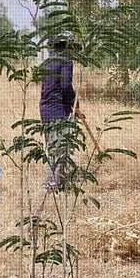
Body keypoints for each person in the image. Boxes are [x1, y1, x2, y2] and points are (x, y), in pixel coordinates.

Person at [39, 32, 82, 191]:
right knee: (61, 148)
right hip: (58, 110)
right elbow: (65, 86)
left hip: (45, 110)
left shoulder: (47, 63)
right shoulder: (65, 61)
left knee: (52, 148)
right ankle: (53, 185)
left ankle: (53, 182)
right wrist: (74, 102)